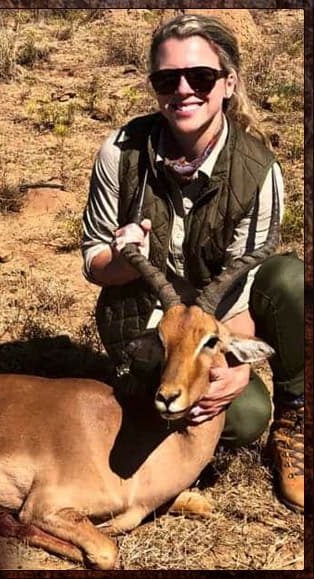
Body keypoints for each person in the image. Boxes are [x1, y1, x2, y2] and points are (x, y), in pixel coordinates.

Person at [81, 14, 304, 513]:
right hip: (147, 331)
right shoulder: (121, 154)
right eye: (167, 79)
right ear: (155, 86)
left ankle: (295, 413)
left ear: (228, 84)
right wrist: (124, 259)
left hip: (215, 325)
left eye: (200, 77)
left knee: (289, 282)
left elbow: (241, 289)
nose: (183, 90)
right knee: (220, 414)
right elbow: (93, 264)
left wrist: (232, 364)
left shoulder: (259, 172)